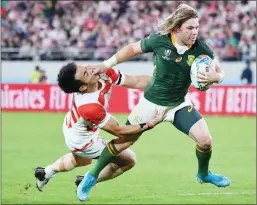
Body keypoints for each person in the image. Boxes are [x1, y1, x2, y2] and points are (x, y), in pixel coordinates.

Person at [78, 4, 231, 201]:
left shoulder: (202, 49)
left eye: (197, 27)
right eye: (190, 28)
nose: (195, 32)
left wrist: (216, 78)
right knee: (122, 143)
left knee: (205, 141)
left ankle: (203, 174)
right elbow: (132, 49)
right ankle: (91, 177)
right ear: (176, 29)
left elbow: (219, 71)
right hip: (150, 104)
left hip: (178, 105)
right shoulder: (160, 42)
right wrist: (106, 65)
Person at [34, 62, 163, 194]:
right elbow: (119, 131)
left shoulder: (101, 72)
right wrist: (149, 124)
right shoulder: (89, 107)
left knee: (82, 160)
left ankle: (45, 173)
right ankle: (87, 181)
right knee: (129, 160)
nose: (91, 69)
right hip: (83, 141)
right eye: (86, 73)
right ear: (83, 87)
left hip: (73, 125)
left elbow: (136, 81)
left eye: (85, 67)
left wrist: (163, 81)